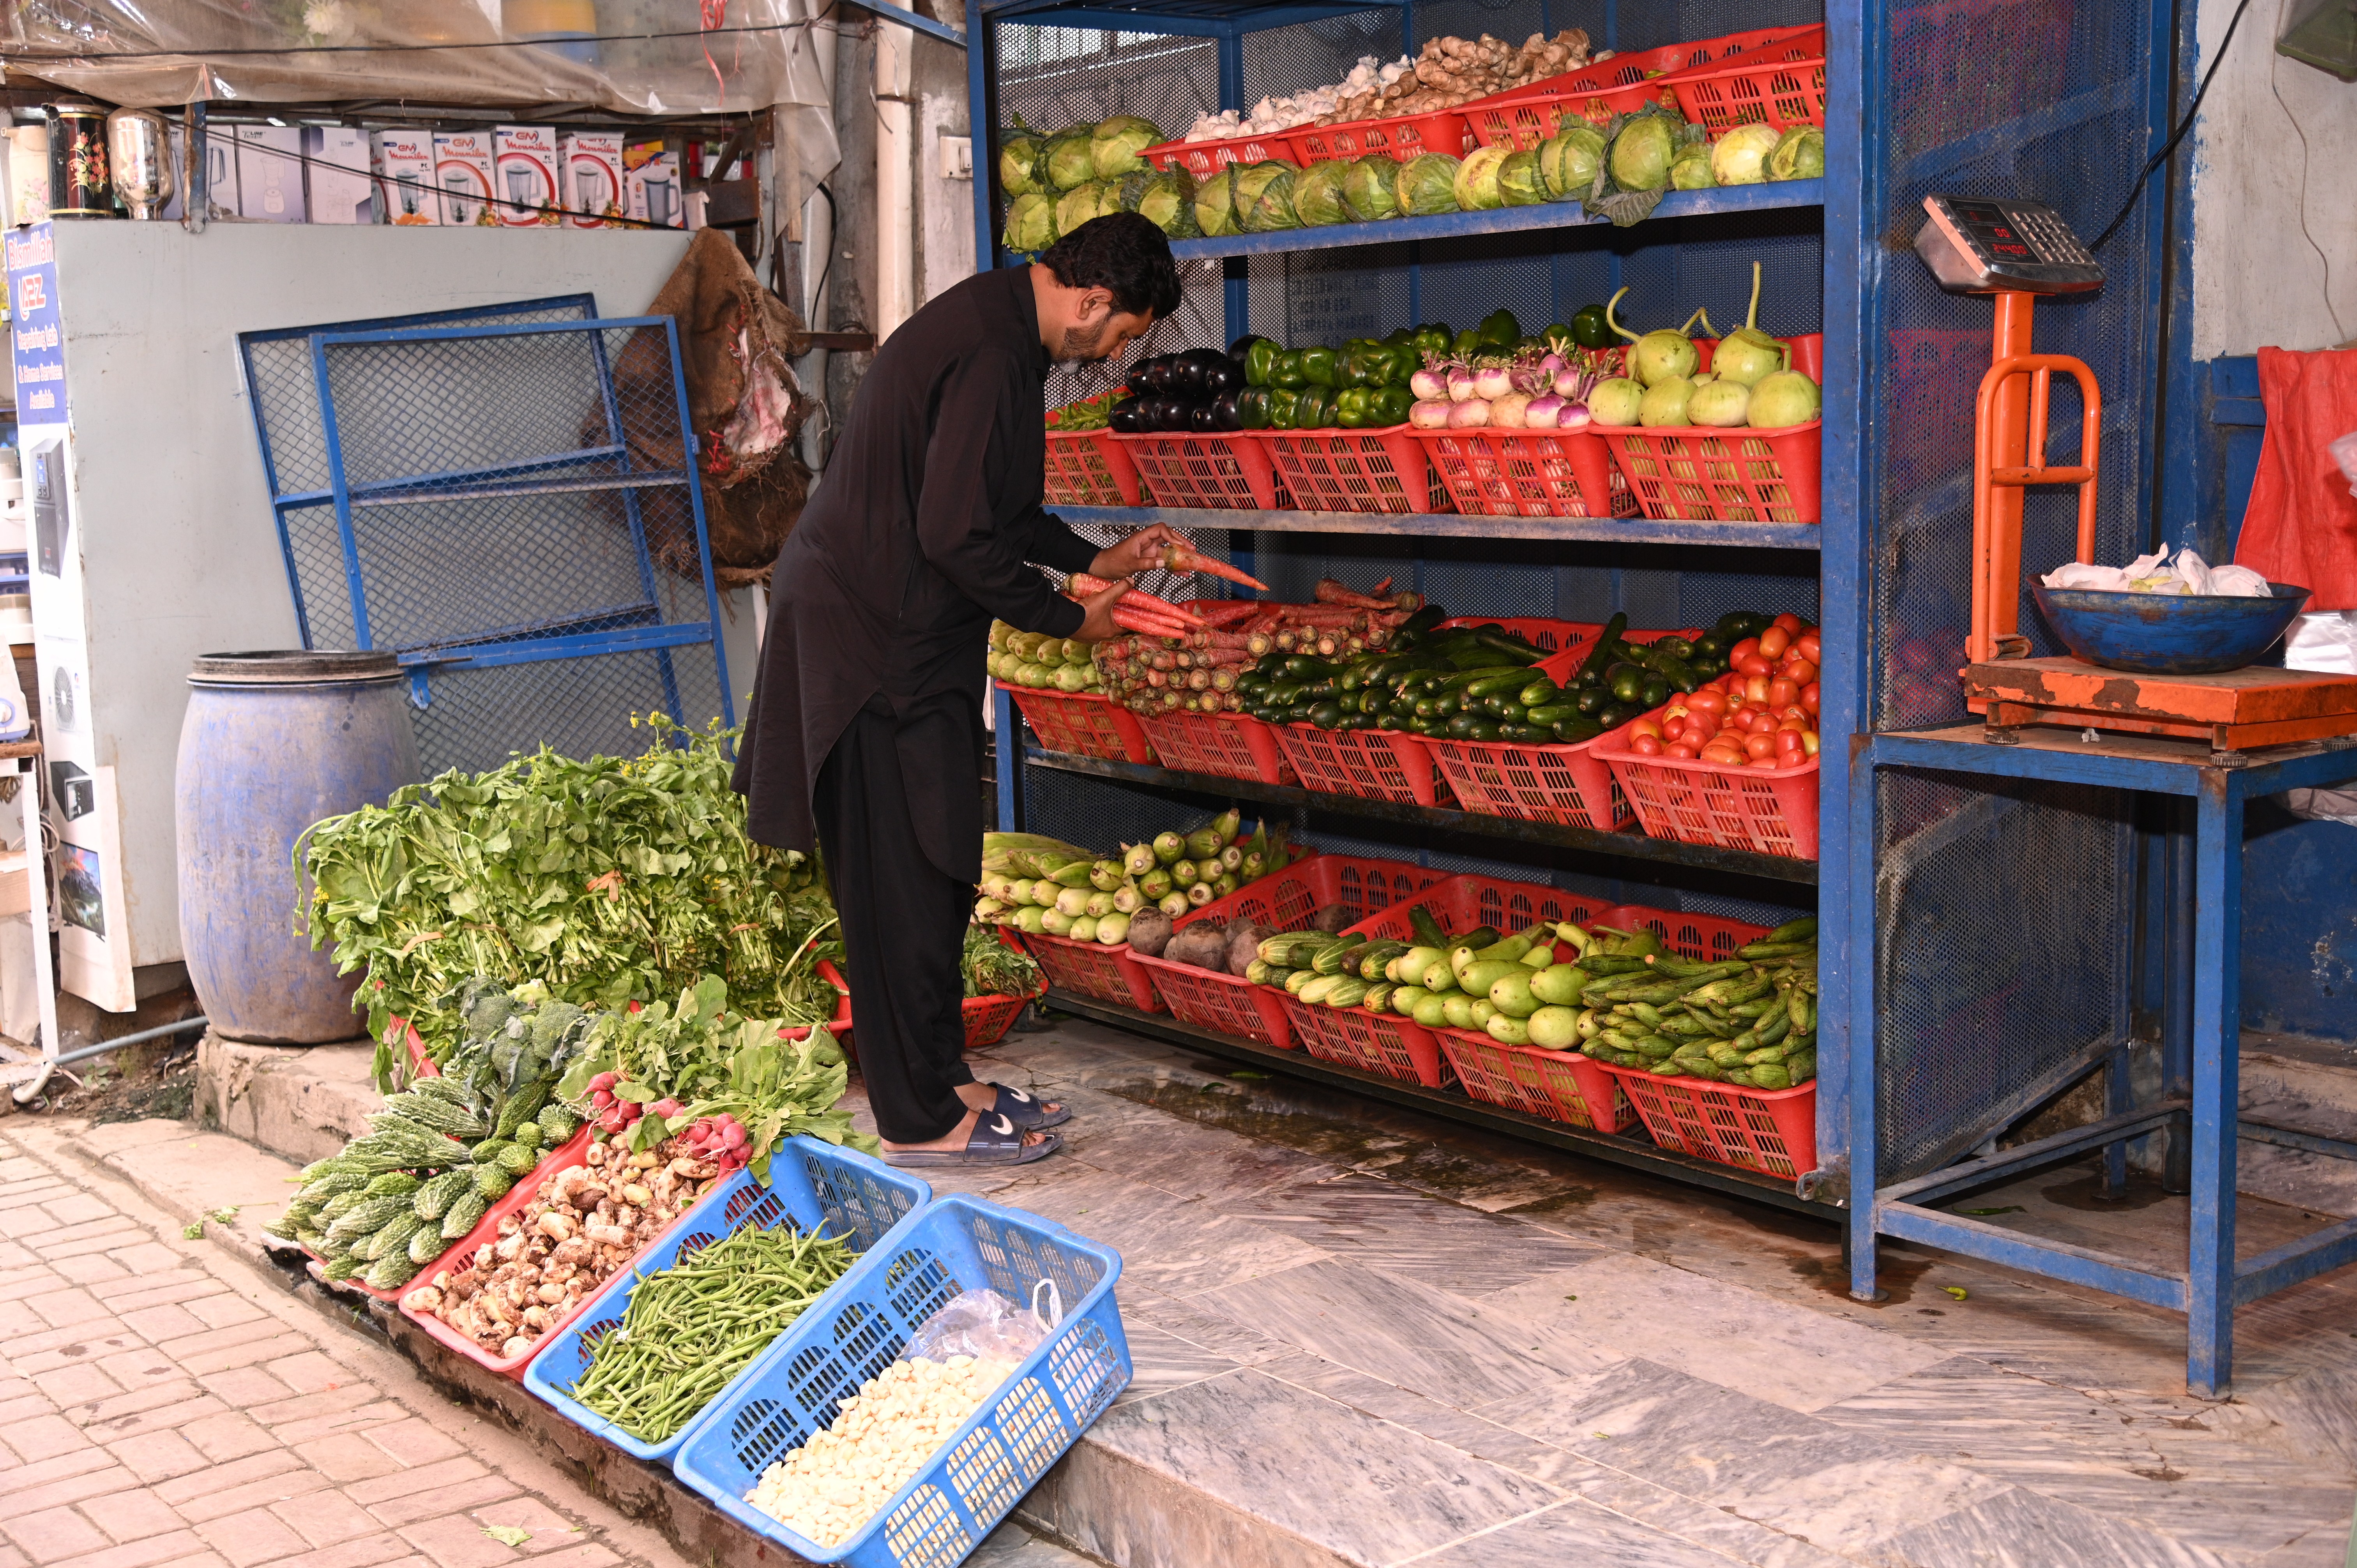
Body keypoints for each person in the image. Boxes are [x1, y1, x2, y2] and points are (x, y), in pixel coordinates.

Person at [731, 214, 1184, 1169]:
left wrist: (1092, 557)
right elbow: (953, 533)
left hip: (908, 636)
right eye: (1123, 335)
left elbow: (1001, 512)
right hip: (872, 643)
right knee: (895, 882)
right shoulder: (989, 351)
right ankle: (916, 1117)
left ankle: (944, 1074)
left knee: (937, 866)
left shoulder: (1002, 335)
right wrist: (1071, 620)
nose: (1110, 354)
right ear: (1095, 301)